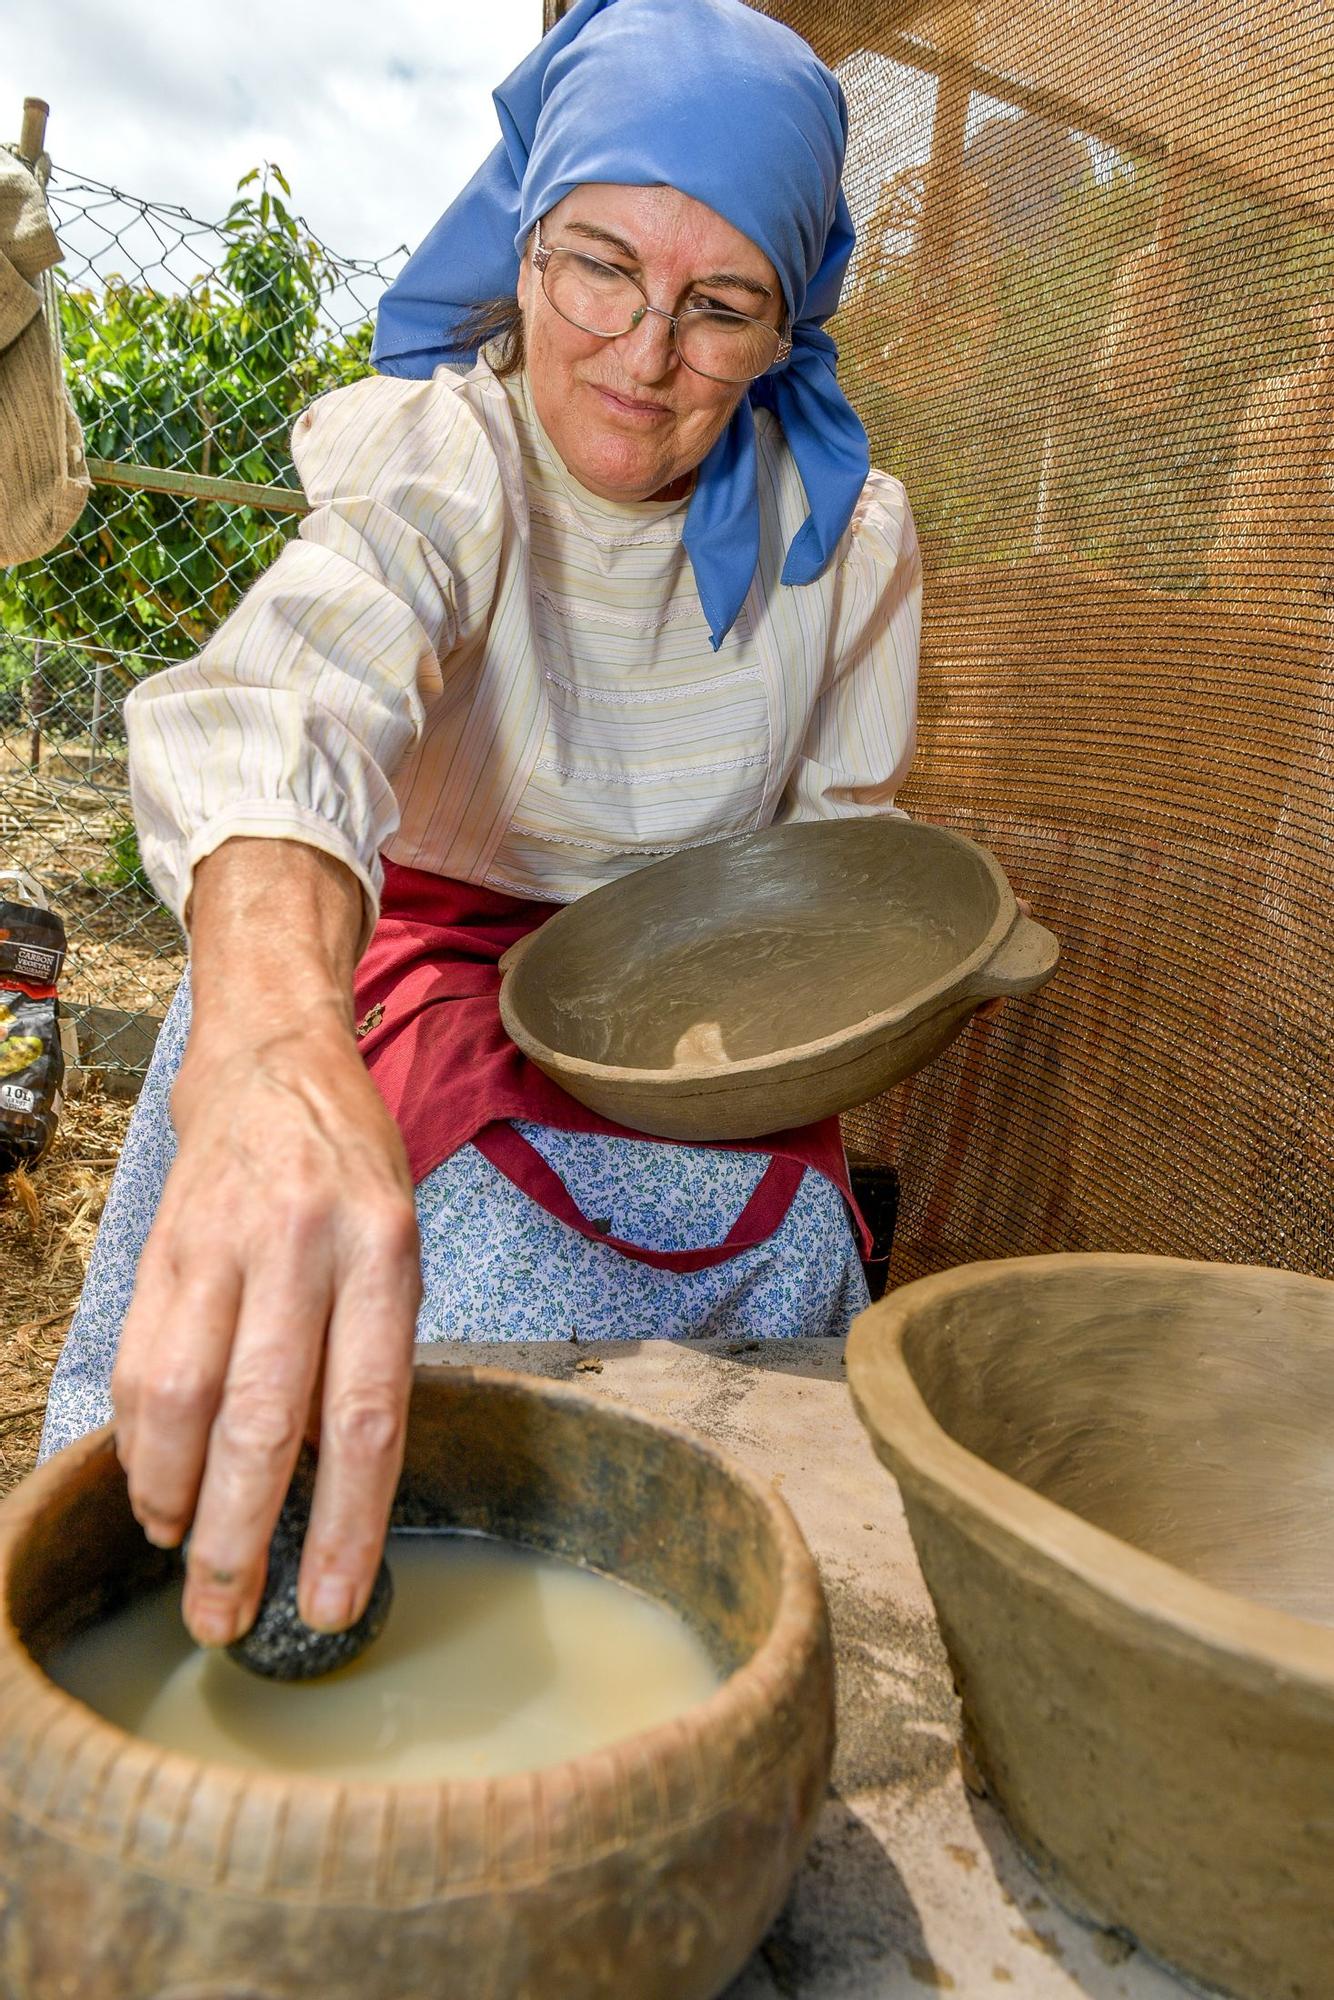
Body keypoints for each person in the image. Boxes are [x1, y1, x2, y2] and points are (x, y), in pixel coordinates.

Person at [39, 0, 922, 1654]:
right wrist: (269, 1036)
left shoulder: (851, 543)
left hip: (700, 1024)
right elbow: (294, 693)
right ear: (522, 246)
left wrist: (774, 1024)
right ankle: (203, 1592)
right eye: (598, 263)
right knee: (423, 1256)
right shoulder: (447, 456)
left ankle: (692, 1635)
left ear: (787, 319)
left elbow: (839, 877)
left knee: (788, 1263)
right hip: (416, 961)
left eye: (718, 305)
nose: (643, 351)